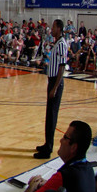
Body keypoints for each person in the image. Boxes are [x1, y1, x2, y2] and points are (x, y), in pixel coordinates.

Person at [35, 19, 68, 159]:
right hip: (52, 81)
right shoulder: (57, 43)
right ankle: (46, 143)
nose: (51, 29)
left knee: (52, 115)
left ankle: (48, 148)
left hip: (56, 82)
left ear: (59, 28)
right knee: (49, 114)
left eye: (53, 27)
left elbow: (62, 67)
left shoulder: (61, 44)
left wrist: (54, 87)